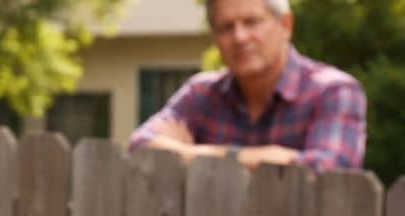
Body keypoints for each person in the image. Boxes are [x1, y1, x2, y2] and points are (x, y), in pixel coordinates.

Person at [129, 0, 367, 173]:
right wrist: (258, 158)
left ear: (286, 25)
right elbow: (140, 146)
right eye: (226, 27)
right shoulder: (202, 94)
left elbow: (327, 172)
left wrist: (193, 155)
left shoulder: (334, 91)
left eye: (252, 22)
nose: (240, 37)